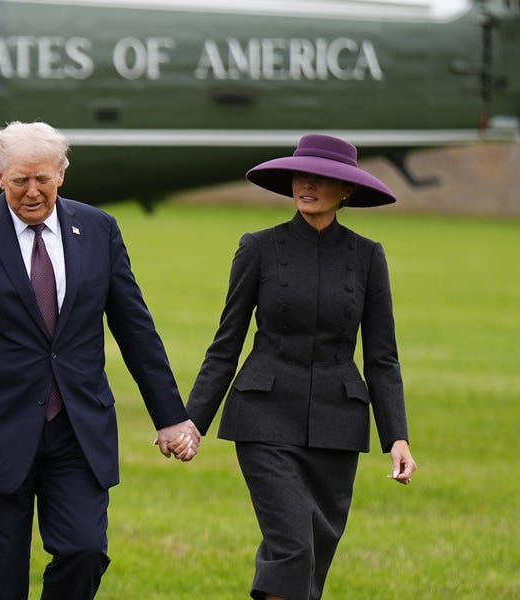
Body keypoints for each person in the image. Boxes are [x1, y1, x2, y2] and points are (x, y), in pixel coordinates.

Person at [0, 121, 199, 600]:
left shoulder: (98, 230)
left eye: (42, 179)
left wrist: (171, 417)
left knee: (85, 551)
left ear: (62, 173)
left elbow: (135, 329)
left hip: (76, 429)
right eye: (19, 180)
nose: (31, 191)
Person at [186, 134, 418, 600]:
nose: (307, 183)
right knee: (292, 548)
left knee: (313, 559)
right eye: (301, 173)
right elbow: (225, 343)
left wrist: (397, 437)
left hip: (338, 425)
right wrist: (193, 420)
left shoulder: (368, 257)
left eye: (322, 177)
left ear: (346, 191)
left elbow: (382, 356)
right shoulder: (258, 248)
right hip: (264, 418)